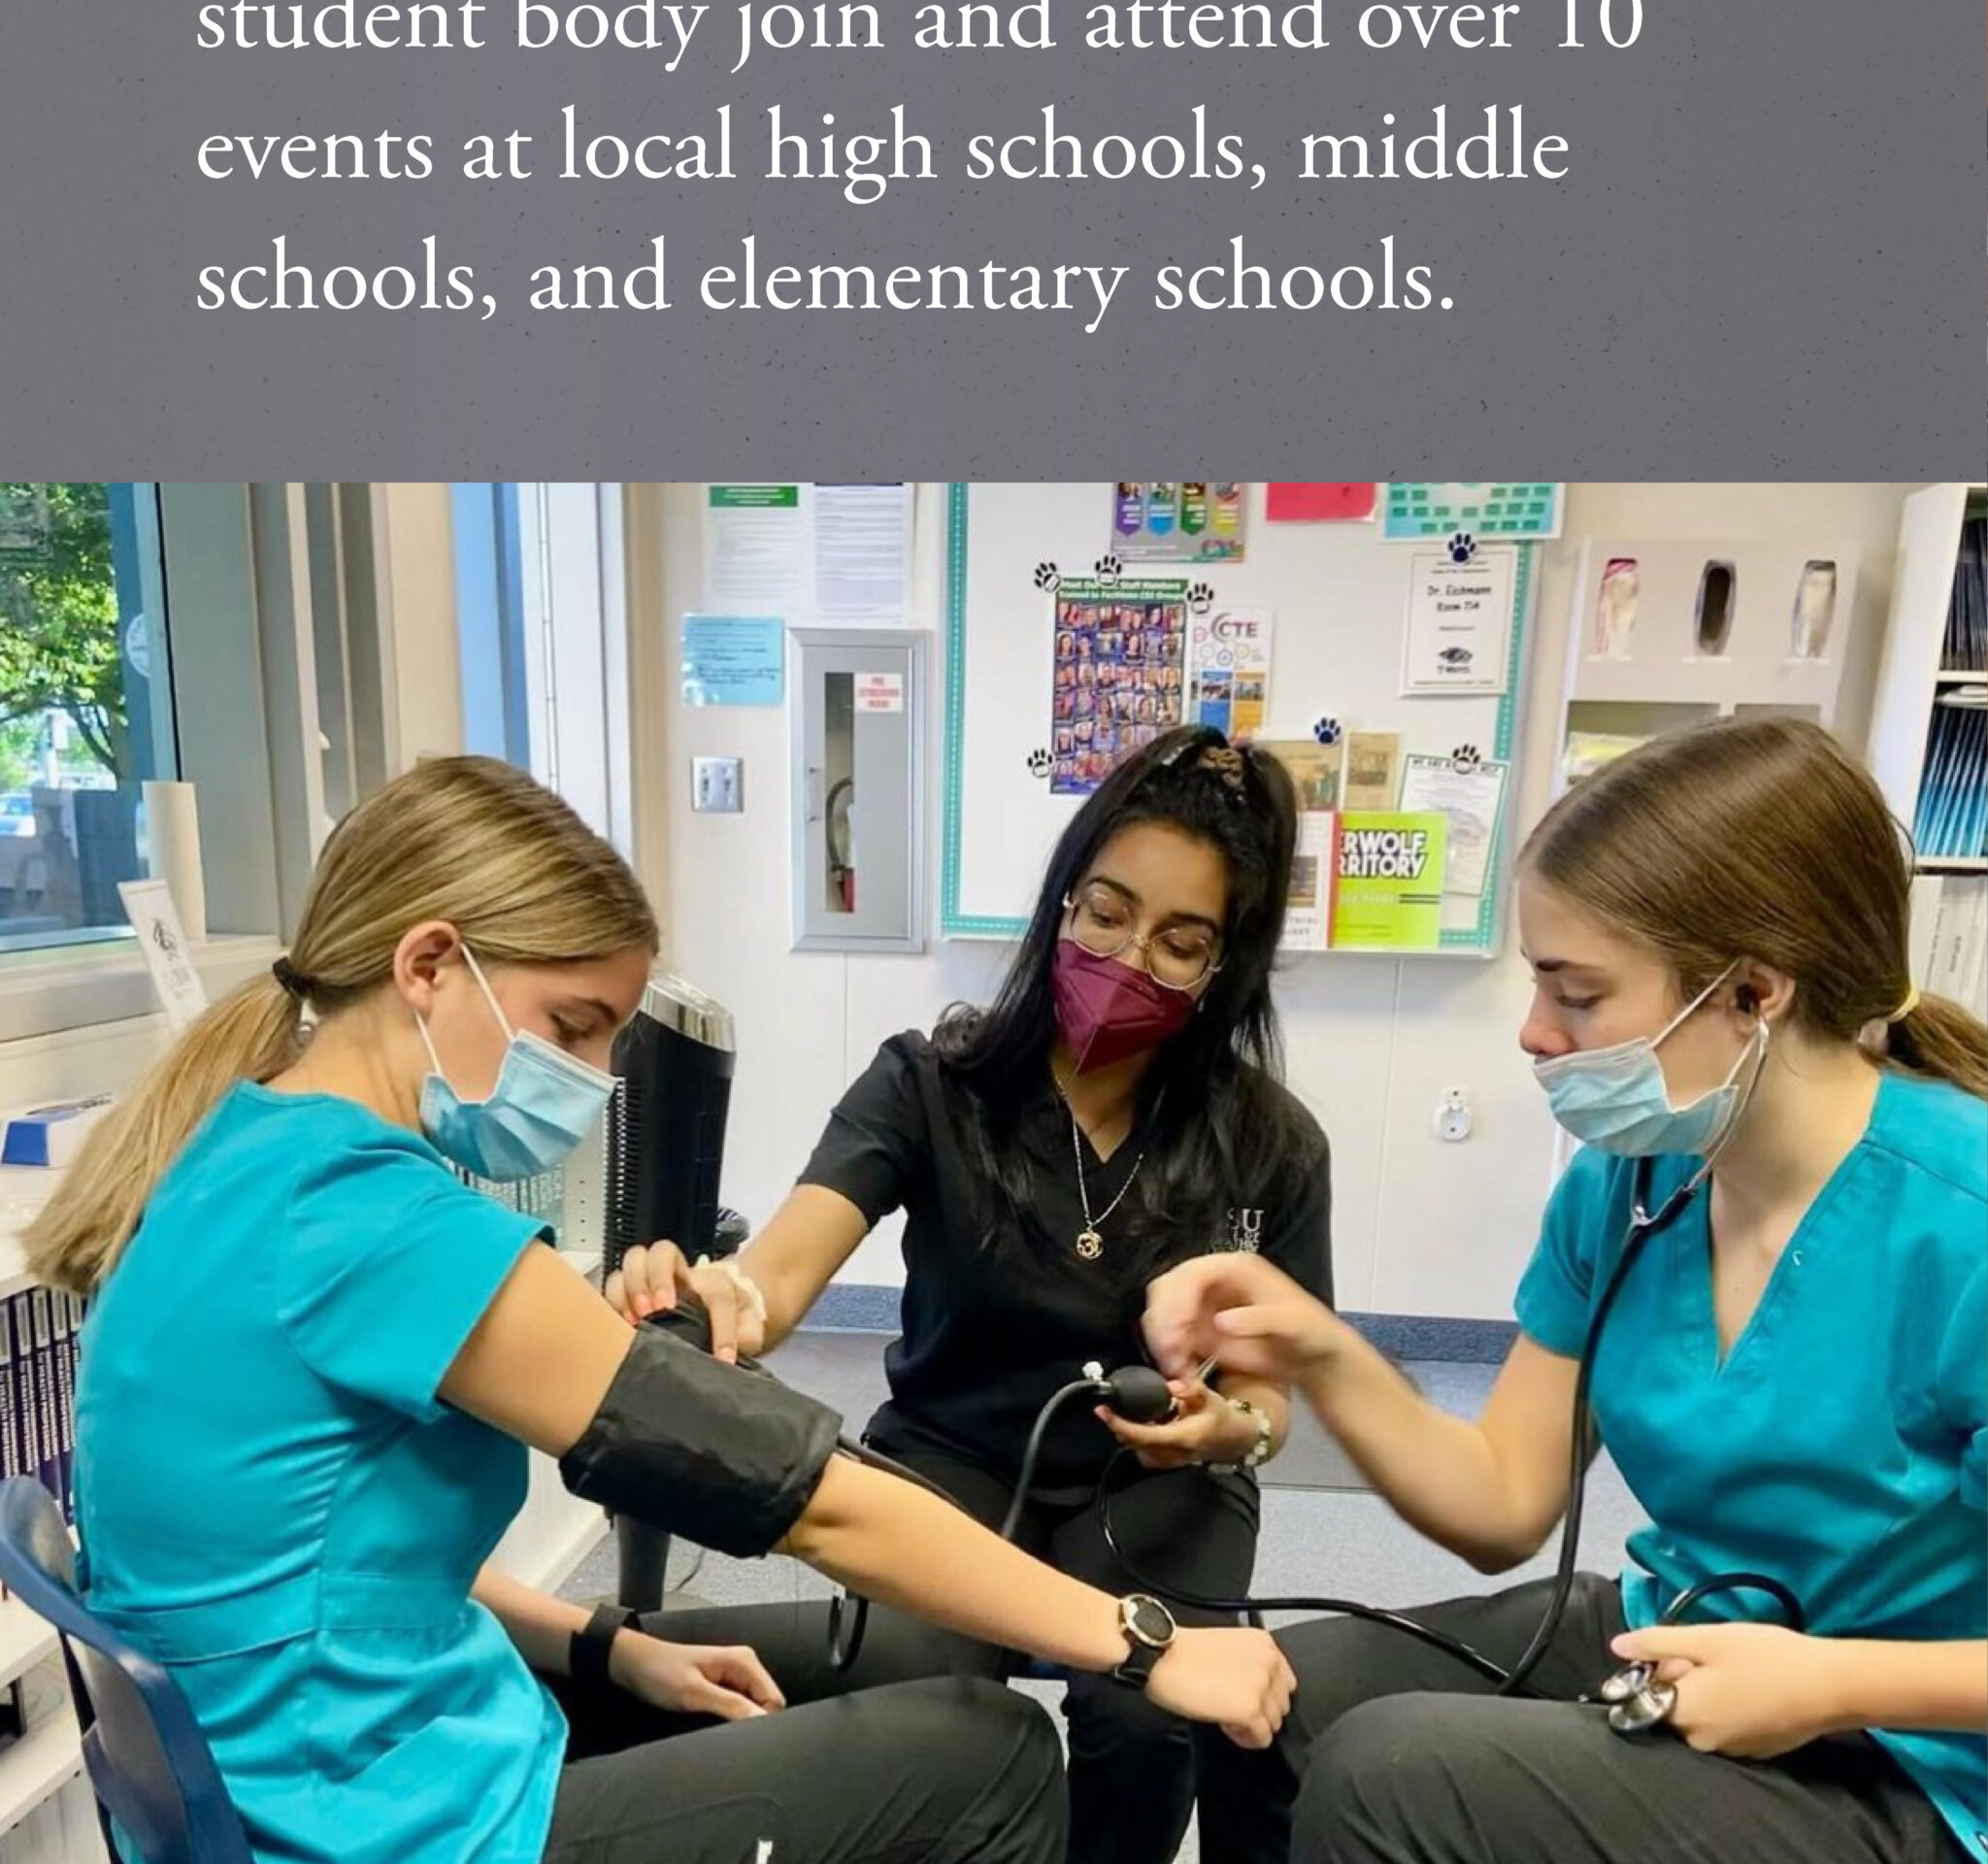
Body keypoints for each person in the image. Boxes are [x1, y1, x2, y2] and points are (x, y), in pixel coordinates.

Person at [33, 754, 1293, 1864]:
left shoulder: (248, 1156)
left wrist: (605, 1648)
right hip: (380, 1821)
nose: (590, 1082)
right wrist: (1145, 1644)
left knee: (846, 1677)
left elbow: (342, 1570)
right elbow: (810, 1500)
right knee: (997, 1758)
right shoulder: (375, 1228)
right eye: (574, 1029)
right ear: (428, 963)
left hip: (323, 1769)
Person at [1138, 716, 1986, 1864]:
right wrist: (1321, 1352)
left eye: (1575, 994)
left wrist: (1830, 1677)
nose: (1534, 1033)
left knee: (1392, 1781)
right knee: (1264, 1697)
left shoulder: (1960, 1224)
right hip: (1687, 1639)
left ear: (1752, 991)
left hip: (1918, 1756)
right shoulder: (1625, 1186)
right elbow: (1501, 1506)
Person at [614, 725, 1335, 1864]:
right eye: (1103, 910)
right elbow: (783, 1267)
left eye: (1179, 940)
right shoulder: (928, 1083)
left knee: (1149, 1709)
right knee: (922, 1703)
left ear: (1222, 967)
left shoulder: (1270, 1145)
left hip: (1154, 1485)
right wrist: (725, 1298)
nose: (1128, 954)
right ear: (1060, 901)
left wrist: (1222, 1426)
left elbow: (1269, 1402)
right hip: (950, 1457)